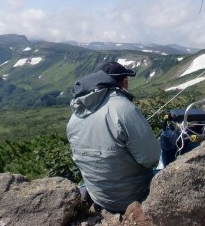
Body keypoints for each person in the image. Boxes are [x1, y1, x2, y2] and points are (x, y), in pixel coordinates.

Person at [66, 61, 160, 213]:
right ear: (124, 82)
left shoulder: (75, 114)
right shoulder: (124, 108)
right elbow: (152, 157)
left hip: (99, 196)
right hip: (133, 196)